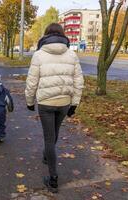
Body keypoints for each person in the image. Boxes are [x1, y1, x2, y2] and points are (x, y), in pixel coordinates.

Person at [25, 23, 84, 193]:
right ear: (62, 35)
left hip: (45, 104)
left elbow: (32, 81)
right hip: (64, 103)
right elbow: (79, 82)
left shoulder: (39, 55)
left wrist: (29, 101)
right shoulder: (72, 55)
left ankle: (53, 178)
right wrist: (74, 104)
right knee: (55, 133)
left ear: (46, 35)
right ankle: (46, 155)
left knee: (49, 138)